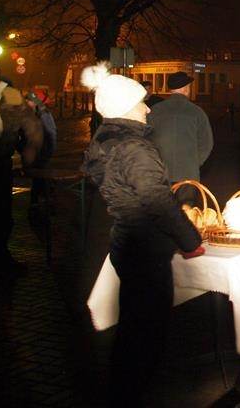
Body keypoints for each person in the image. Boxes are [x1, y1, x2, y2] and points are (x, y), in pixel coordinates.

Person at [80, 62, 203, 407]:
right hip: (145, 246)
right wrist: (191, 240)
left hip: (127, 242)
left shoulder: (109, 140)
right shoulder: (134, 148)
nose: (148, 108)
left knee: (133, 326)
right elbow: (156, 200)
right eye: (141, 102)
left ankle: (124, 388)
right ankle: (133, 393)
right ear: (124, 108)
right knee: (146, 331)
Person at [0, 64, 43, 275]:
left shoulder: (11, 94)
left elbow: (32, 127)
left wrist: (28, 157)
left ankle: (1, 257)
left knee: (2, 213)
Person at [148, 71, 213, 204]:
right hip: (188, 173)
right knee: (186, 213)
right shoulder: (196, 112)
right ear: (185, 88)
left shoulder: (155, 111)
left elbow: (146, 140)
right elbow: (207, 143)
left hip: (160, 173)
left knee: (163, 214)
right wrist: (195, 161)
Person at [24, 88, 58, 209]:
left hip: (42, 154)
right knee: (38, 179)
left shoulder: (44, 115)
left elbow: (51, 134)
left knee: (40, 179)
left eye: (28, 100)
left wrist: (47, 154)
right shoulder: (37, 113)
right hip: (39, 153)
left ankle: (41, 203)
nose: (26, 102)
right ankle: (40, 202)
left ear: (35, 102)